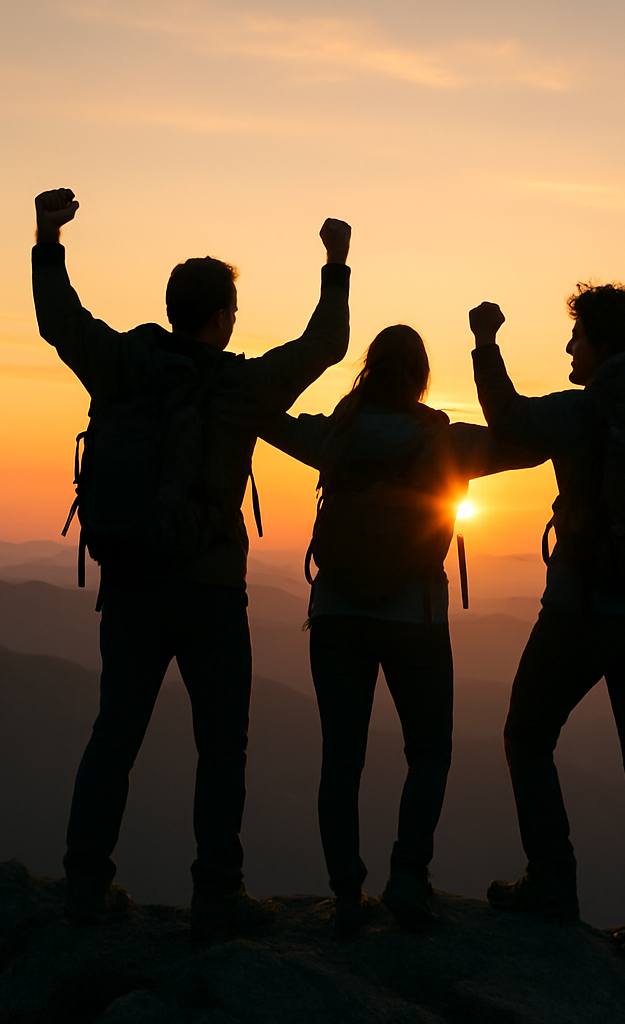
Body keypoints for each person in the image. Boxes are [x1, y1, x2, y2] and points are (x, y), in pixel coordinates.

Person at [32, 188, 352, 939]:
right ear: (219, 316)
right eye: (233, 311)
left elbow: (59, 321)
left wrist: (48, 239)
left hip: (133, 585)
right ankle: (217, 892)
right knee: (223, 743)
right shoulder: (237, 386)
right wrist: (335, 265)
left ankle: (84, 883)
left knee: (116, 731)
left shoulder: (121, 364)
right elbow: (324, 347)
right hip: (210, 592)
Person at [261, 324, 542, 938]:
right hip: (414, 617)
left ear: (368, 369)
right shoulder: (445, 441)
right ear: (421, 378)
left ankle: (344, 894)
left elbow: (268, 419)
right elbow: (525, 445)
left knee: (341, 757)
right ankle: (408, 877)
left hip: (335, 614)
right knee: (430, 750)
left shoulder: (334, 433)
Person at [468, 284, 625, 975]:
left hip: (581, 611)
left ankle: (552, 882)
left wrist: (487, 344)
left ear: (601, 345)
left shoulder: (586, 412)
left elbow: (509, 418)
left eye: (576, 339)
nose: (570, 350)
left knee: (526, 733)